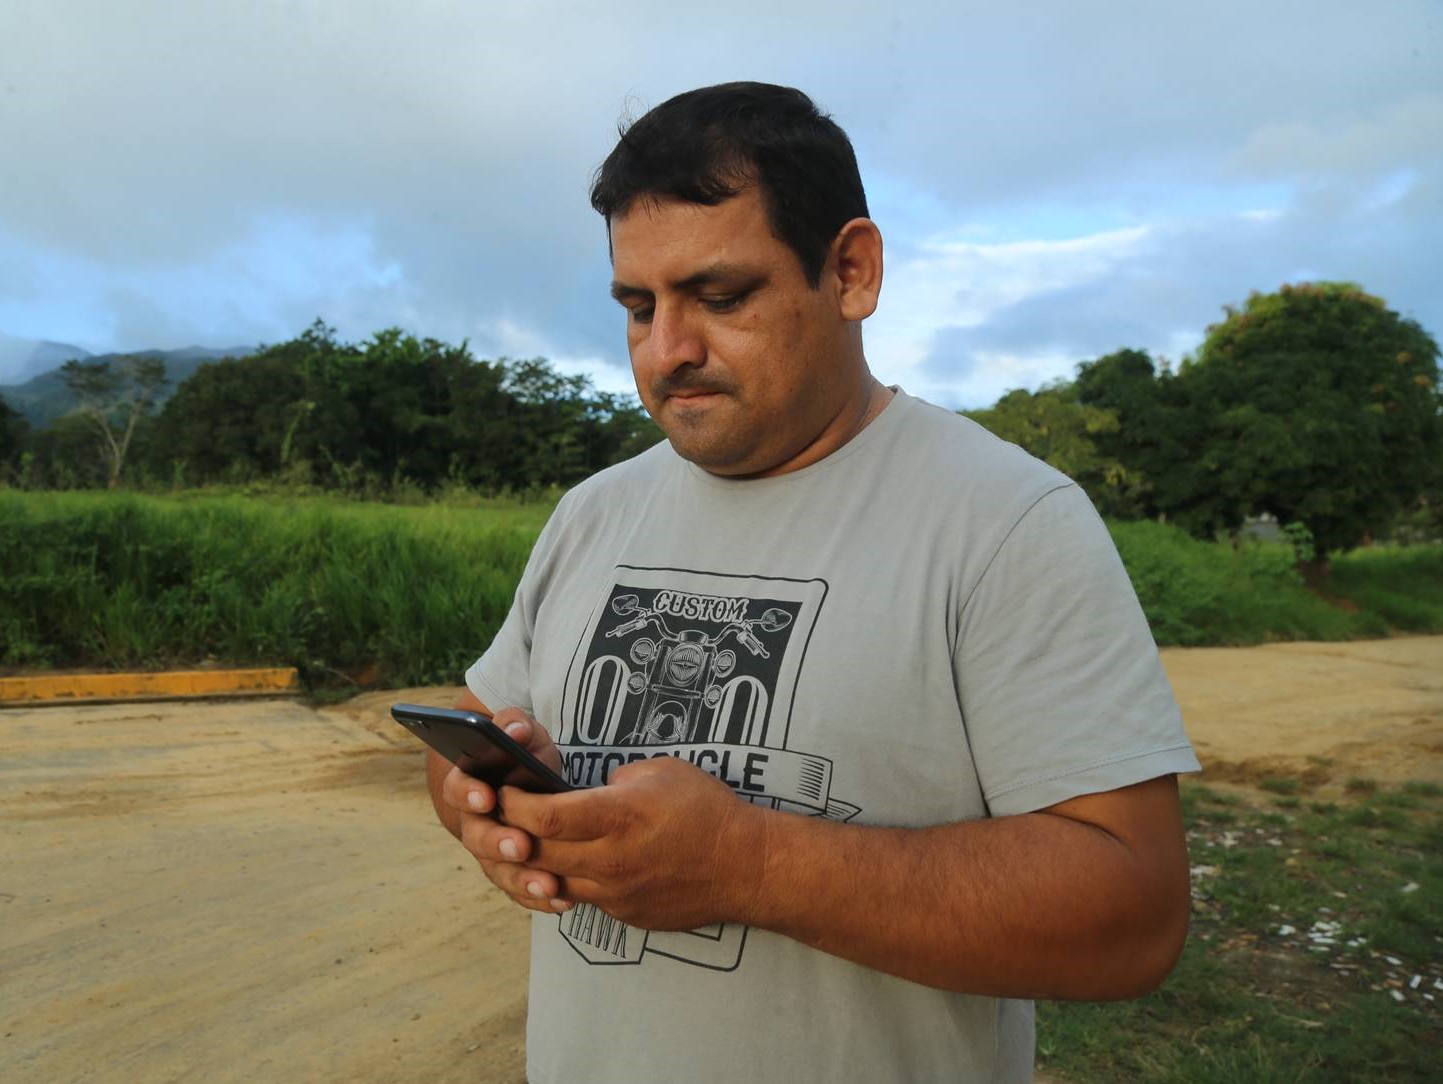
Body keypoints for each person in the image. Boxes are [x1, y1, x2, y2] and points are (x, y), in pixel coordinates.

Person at [425, 81, 1199, 1084]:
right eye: (639, 307)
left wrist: (750, 866)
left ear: (850, 271)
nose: (667, 351)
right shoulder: (594, 512)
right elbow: (469, 733)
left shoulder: (1005, 521)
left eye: (721, 297)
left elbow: (1133, 916)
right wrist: (489, 806)